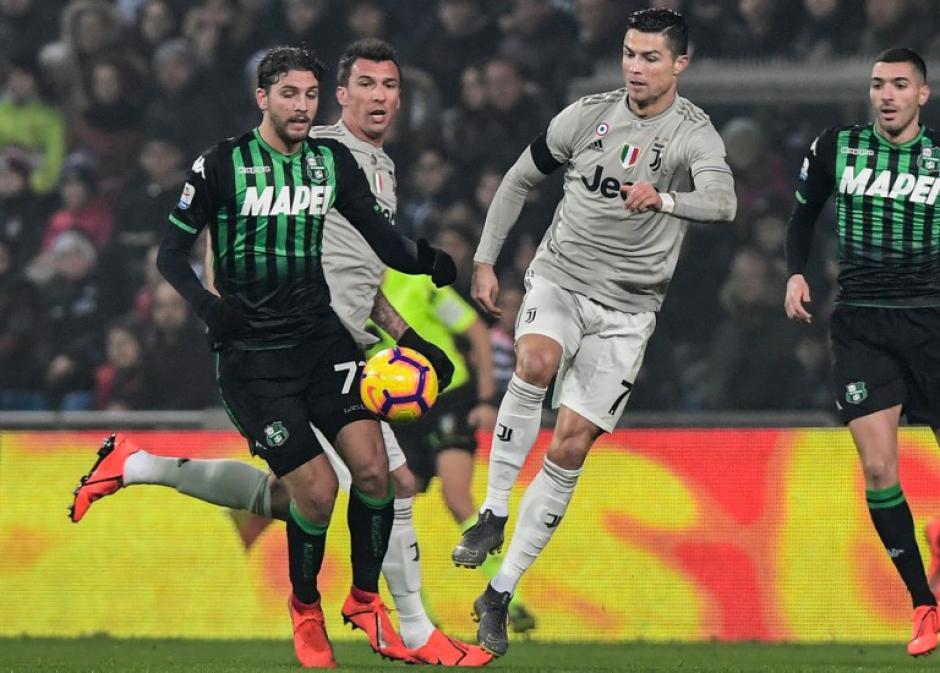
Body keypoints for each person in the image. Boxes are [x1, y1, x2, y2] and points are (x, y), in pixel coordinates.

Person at [69, 40, 490, 668]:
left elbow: (372, 262)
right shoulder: (235, 162)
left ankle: (380, 610)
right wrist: (215, 307)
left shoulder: (354, 167)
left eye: (389, 85)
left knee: (375, 480)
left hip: (331, 344)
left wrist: (423, 294)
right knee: (317, 495)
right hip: (258, 357)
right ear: (268, 97)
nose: (378, 97)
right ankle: (329, 610)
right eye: (363, 85)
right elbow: (189, 245)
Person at [451, 8, 736, 657]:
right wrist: (487, 260)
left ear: (680, 65)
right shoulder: (586, 115)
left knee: (572, 444)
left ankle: (498, 592)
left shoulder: (695, 135)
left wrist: (663, 199)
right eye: (630, 54)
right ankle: (493, 510)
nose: (636, 67)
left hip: (630, 310)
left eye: (651, 58)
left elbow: (724, 203)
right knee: (535, 360)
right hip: (560, 278)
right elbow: (521, 179)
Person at [784, 47, 940, 657]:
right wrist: (796, 274)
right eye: (879, 85)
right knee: (878, 470)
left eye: (901, 85)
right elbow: (802, 217)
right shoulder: (835, 147)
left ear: (922, 95)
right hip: (862, 328)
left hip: (933, 323)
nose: (887, 95)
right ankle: (923, 605)